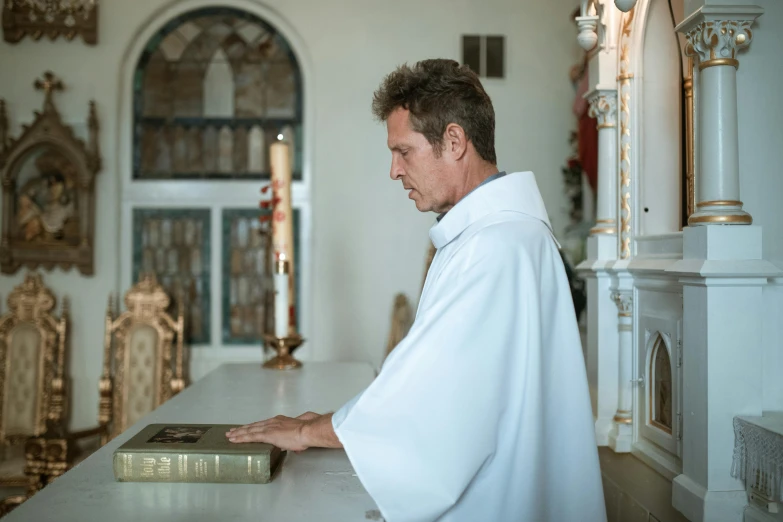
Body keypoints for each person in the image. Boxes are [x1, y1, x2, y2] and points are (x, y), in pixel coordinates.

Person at [228, 58, 606, 522]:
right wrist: (332, 423)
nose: (394, 170)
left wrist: (312, 432)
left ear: (453, 141)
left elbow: (434, 399)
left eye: (403, 151)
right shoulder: (494, 234)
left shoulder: (497, 246)